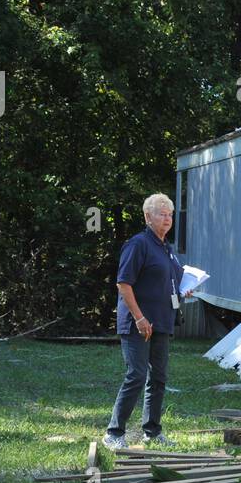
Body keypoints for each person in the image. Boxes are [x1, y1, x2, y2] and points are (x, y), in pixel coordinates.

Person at [104, 193, 183, 450]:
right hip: (138, 323)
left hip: (161, 321)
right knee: (136, 375)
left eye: (170, 214)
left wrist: (184, 290)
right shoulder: (138, 244)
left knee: (158, 377)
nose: (167, 218)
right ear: (147, 217)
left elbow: (167, 282)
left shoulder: (166, 247)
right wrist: (139, 317)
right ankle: (114, 433)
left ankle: (152, 431)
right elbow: (123, 283)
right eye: (161, 213)